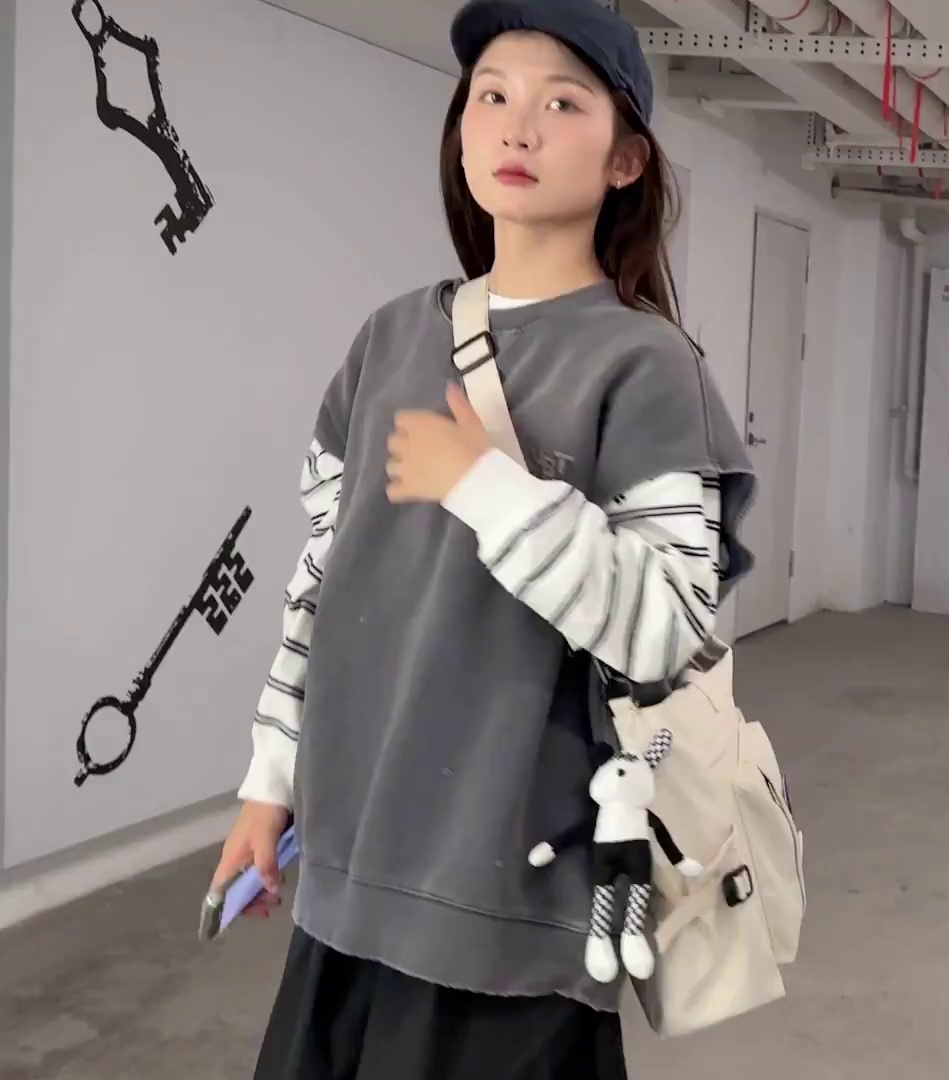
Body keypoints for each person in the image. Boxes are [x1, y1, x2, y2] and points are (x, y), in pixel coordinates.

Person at [206, 1, 756, 1076]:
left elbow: (667, 629)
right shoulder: (387, 341)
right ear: (461, 133)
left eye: (563, 103)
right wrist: (269, 783)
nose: (519, 125)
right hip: (350, 882)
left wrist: (488, 491)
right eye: (493, 96)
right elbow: (319, 586)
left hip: (510, 913)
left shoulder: (647, 369)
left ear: (627, 160)